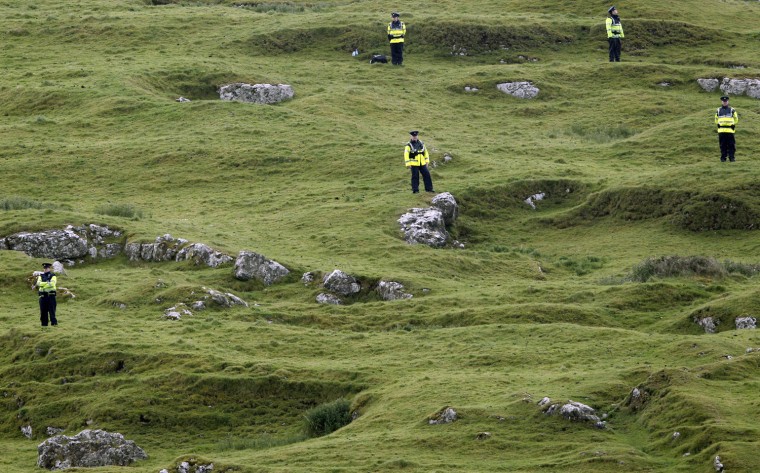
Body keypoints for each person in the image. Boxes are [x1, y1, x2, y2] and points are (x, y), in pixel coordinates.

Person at [715, 96, 738, 162]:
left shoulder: (732, 110)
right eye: (723, 101)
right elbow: (716, 119)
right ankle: (723, 158)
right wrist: (719, 124)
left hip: (730, 131)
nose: (724, 102)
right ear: (721, 102)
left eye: (726, 101)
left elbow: (736, 119)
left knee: (731, 145)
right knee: (722, 145)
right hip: (721, 131)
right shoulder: (718, 110)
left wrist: (732, 124)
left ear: (728, 101)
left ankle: (732, 158)